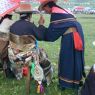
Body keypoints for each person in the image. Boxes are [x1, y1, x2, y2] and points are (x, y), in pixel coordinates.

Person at [38, 0, 86, 90]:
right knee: (76, 58)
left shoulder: (56, 14)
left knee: (67, 58)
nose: (45, 12)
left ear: (48, 6)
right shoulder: (61, 11)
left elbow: (51, 35)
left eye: (45, 10)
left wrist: (41, 25)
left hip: (71, 37)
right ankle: (76, 81)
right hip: (76, 34)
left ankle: (66, 83)